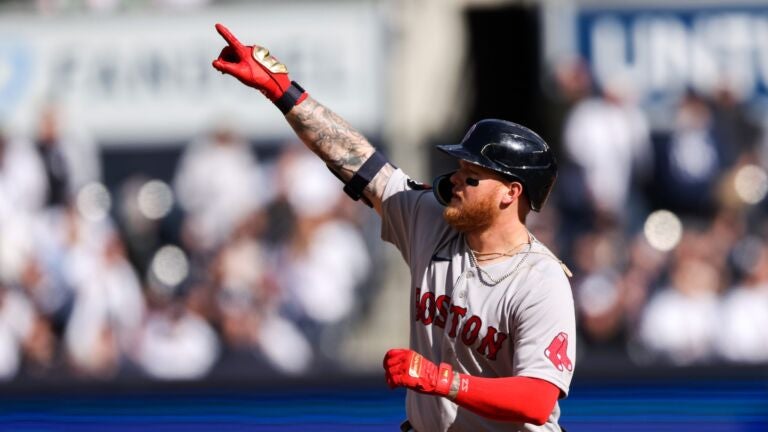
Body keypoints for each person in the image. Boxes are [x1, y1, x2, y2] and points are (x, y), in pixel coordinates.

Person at [212, 23, 575, 432]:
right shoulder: (430, 220)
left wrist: (440, 380)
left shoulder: (539, 280)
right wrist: (283, 93)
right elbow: (359, 160)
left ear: (510, 193)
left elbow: (536, 400)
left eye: (472, 176)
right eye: (458, 168)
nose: (455, 179)